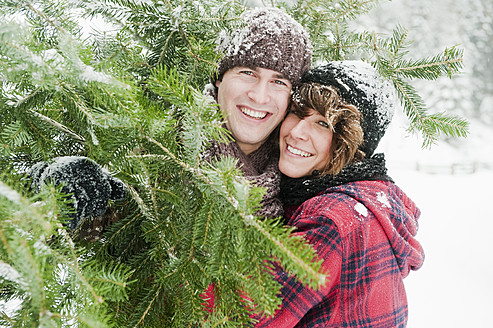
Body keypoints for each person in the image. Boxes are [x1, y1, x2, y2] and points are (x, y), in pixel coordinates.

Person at [28, 7, 312, 229]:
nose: (260, 97)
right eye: (247, 73)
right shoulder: (158, 145)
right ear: (218, 78)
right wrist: (50, 185)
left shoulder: (298, 174)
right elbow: (88, 229)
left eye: (279, 82)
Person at [253, 61, 425, 327]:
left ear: (352, 144)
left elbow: (241, 313)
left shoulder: (334, 220)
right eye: (299, 113)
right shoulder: (366, 199)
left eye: (323, 123)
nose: (297, 132)